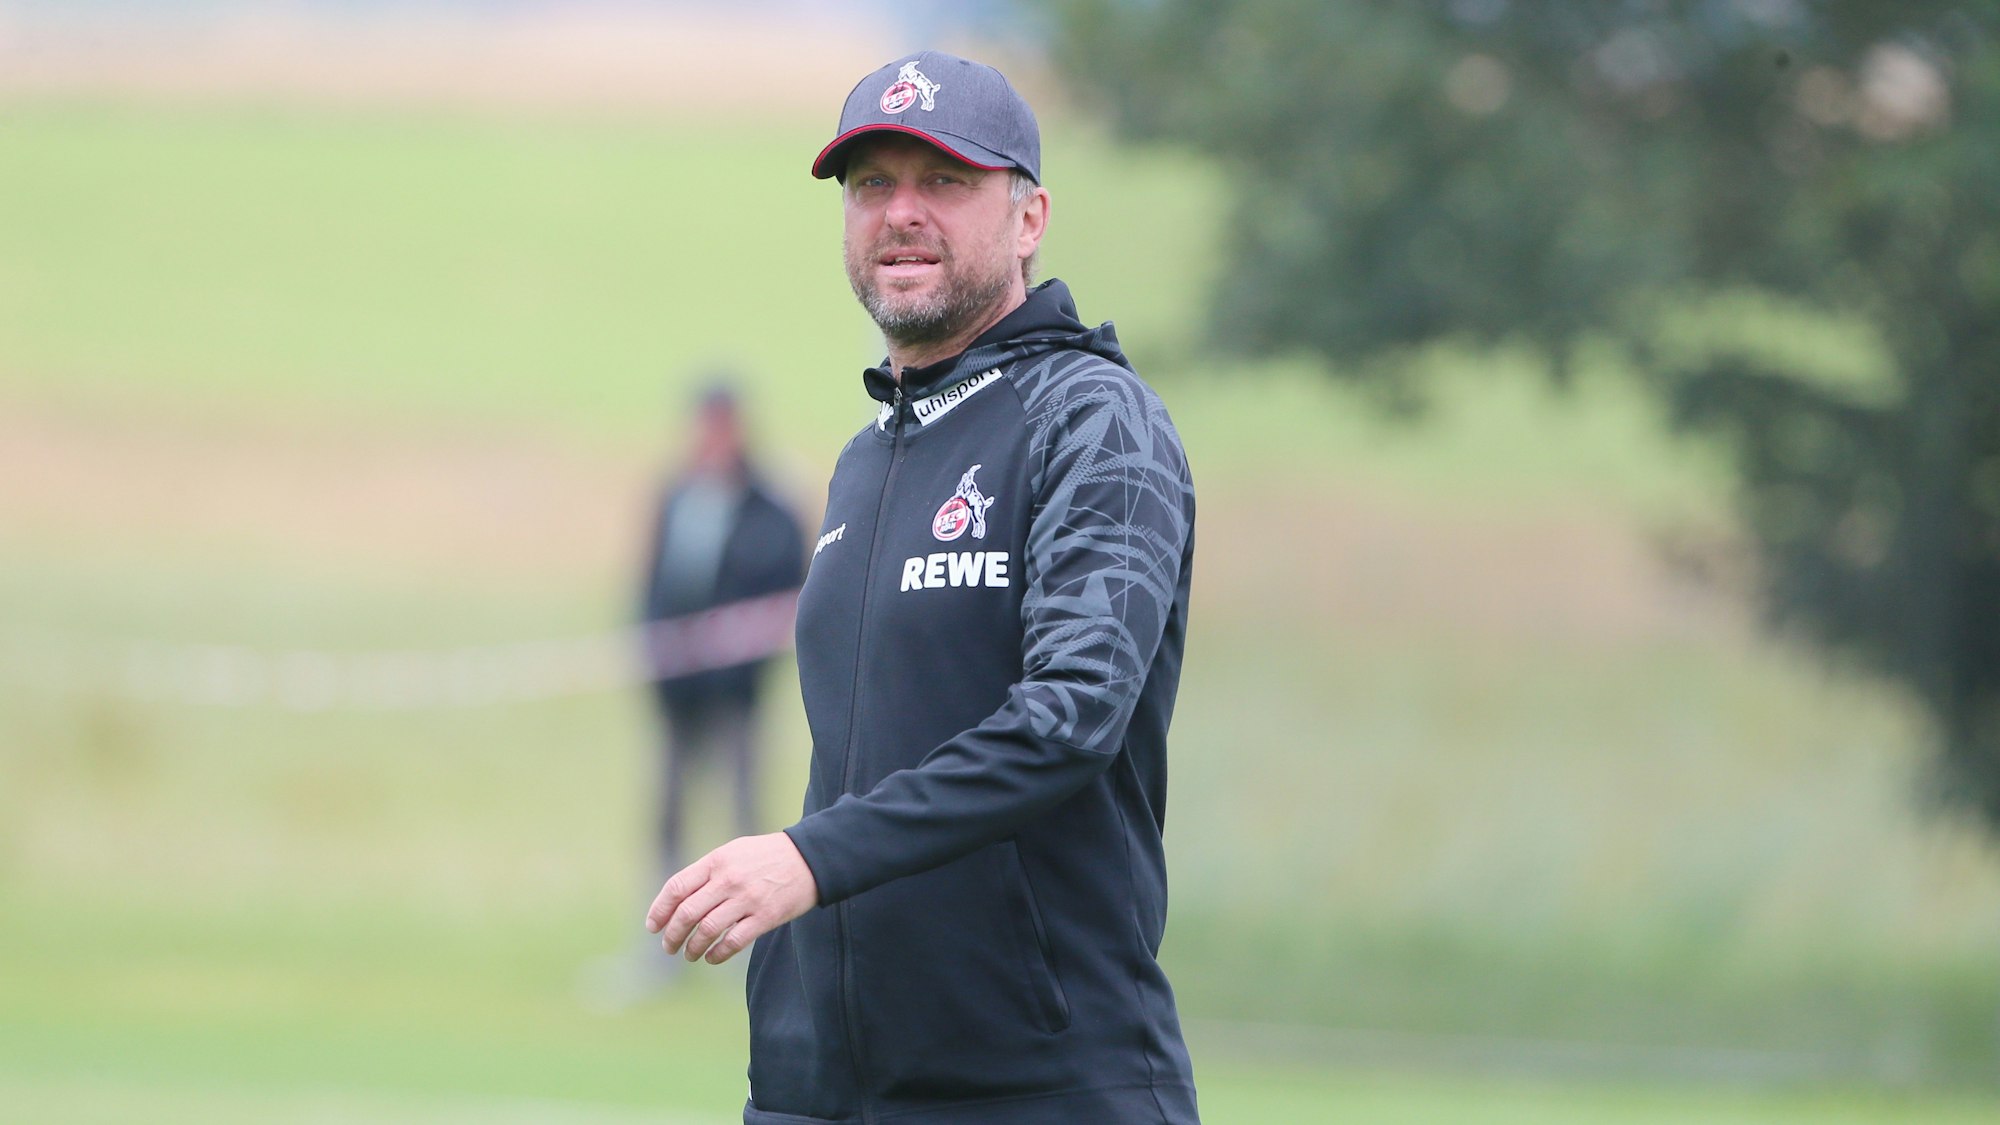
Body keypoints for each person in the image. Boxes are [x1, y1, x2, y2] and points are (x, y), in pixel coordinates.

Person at [645, 51, 1200, 1124]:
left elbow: (1068, 718)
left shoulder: (1092, 421)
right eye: (871, 186)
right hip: (824, 1087)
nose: (899, 213)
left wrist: (809, 859)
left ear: (1029, 217)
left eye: (943, 182)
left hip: (1038, 1083)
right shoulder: (867, 456)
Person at [639, 383, 805, 940]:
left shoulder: (771, 507)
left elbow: (785, 596)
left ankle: (753, 942)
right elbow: (653, 584)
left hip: (736, 694)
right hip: (676, 689)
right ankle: (660, 938)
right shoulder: (676, 496)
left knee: (743, 811)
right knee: (668, 810)